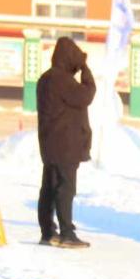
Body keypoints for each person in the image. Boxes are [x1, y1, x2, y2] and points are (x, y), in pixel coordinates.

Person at [36, 36, 95, 249]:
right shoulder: (61, 80)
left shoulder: (45, 79)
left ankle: (48, 232)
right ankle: (67, 233)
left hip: (49, 142)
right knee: (65, 188)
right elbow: (86, 96)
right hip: (65, 144)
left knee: (49, 188)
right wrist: (86, 71)